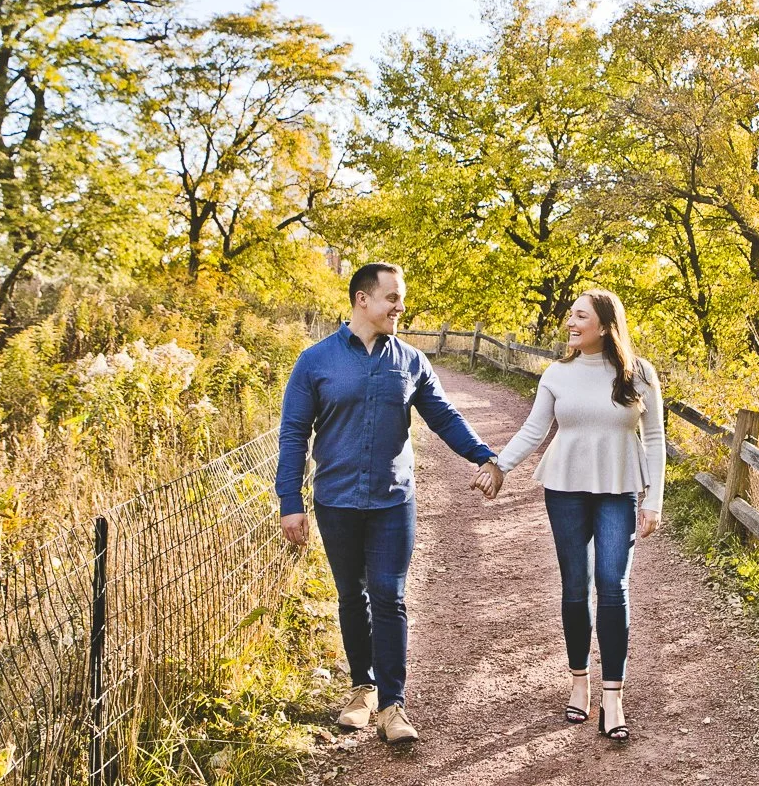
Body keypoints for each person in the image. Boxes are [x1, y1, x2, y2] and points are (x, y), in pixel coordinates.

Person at [276, 262, 501, 745]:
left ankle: (393, 705)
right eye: (392, 297)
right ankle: (362, 689)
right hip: (336, 500)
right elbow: (293, 433)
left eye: (401, 298)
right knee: (351, 595)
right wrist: (289, 500)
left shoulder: (411, 361)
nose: (400, 307)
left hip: (393, 501)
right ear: (363, 299)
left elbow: (444, 416)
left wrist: (484, 455)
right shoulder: (314, 362)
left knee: (389, 595)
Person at [472, 289, 664, 742]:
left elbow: (655, 439)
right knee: (575, 587)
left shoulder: (640, 374)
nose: (570, 323)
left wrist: (653, 500)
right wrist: (498, 465)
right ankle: (580, 682)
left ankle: (613, 697)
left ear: (605, 325)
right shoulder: (557, 374)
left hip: (618, 490)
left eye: (580, 316)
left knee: (612, 586)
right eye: (571, 316)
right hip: (565, 491)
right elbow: (534, 429)